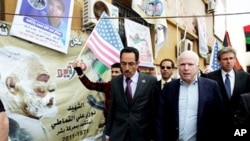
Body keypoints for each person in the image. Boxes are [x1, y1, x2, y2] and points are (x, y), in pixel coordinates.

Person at [156, 50, 225, 141]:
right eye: (182, 64)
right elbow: (161, 118)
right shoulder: (169, 88)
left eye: (190, 64)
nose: (186, 68)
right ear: (178, 67)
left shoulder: (211, 86)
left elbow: (219, 118)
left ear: (197, 67)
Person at [105, 47, 157, 141]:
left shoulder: (150, 82)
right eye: (123, 64)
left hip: (141, 134)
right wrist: (108, 133)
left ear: (137, 64)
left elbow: (153, 111)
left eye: (131, 64)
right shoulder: (115, 82)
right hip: (118, 134)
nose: (127, 68)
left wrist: (153, 136)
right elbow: (112, 109)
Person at [205, 47, 250, 139]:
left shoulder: (245, 77)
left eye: (231, 58)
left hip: (240, 125)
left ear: (234, 59)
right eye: (225, 59)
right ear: (219, 61)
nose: (228, 61)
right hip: (218, 125)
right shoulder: (209, 77)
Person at [73, 60, 122, 141]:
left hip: (121, 128)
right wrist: (79, 70)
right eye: (112, 72)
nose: (113, 74)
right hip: (108, 127)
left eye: (116, 72)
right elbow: (90, 85)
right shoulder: (108, 86)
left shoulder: (129, 89)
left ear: (123, 73)